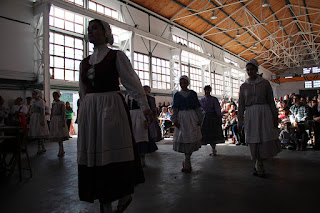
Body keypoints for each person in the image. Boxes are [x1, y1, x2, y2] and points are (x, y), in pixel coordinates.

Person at [77, 19, 153, 213]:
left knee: (111, 152)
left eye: (95, 28)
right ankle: (105, 202)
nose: (91, 31)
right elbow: (82, 92)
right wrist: (83, 113)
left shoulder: (116, 56)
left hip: (111, 108)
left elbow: (132, 83)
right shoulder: (84, 63)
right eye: (89, 29)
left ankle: (122, 193)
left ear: (106, 32)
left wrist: (145, 106)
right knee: (96, 154)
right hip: (91, 111)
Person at [238, 59, 281, 178]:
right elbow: (241, 104)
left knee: (262, 138)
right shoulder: (244, 86)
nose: (250, 72)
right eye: (248, 70)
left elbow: (271, 101)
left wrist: (274, 116)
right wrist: (239, 120)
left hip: (264, 113)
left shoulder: (265, 83)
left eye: (252, 69)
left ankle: (260, 162)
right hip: (250, 114)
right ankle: (258, 162)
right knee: (253, 138)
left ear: (256, 70)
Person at [171, 75, 203, 173]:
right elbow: (175, 109)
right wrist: (174, 120)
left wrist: (200, 118)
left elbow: (197, 107)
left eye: (184, 83)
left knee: (191, 137)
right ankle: (187, 160)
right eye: (181, 83)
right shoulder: (177, 95)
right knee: (184, 138)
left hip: (192, 117)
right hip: (181, 118)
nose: (183, 85)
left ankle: (187, 159)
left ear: (188, 83)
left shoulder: (193, 94)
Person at [200, 85, 224, 156]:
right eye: (206, 90)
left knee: (213, 135)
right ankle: (211, 148)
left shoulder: (214, 99)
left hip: (213, 118)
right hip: (205, 118)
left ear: (210, 91)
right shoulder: (202, 100)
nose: (207, 92)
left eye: (208, 90)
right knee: (206, 134)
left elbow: (217, 109)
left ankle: (214, 149)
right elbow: (199, 109)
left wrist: (219, 118)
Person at [28, 89, 49, 155]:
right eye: (32, 94)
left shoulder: (41, 101)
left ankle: (40, 147)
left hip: (38, 118)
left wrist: (42, 120)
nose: (33, 95)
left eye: (34, 94)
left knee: (40, 133)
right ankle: (42, 147)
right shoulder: (33, 101)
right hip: (34, 118)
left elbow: (42, 111)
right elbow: (31, 109)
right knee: (37, 133)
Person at [50, 92, 69, 157]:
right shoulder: (53, 103)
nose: (54, 97)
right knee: (57, 135)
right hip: (54, 120)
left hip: (59, 120)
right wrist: (51, 120)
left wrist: (63, 121)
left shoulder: (62, 103)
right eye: (53, 96)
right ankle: (61, 149)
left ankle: (61, 149)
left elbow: (63, 113)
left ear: (58, 96)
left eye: (55, 96)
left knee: (60, 135)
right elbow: (52, 112)